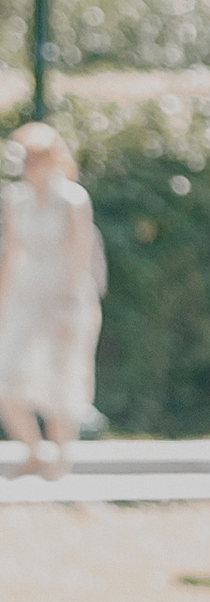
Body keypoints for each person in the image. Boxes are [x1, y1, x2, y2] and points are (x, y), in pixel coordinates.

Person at [0, 121, 106, 480]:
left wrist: (69, 305)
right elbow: (11, 255)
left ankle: (59, 462)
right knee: (8, 378)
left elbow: (80, 258)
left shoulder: (73, 199)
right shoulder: (16, 199)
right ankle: (33, 451)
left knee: (62, 379)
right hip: (25, 297)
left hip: (64, 297)